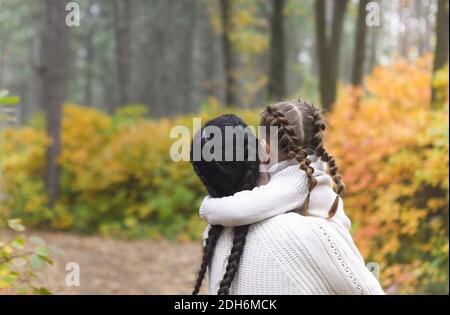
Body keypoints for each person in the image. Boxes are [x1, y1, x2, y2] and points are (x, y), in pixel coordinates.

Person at [191, 103, 384, 294]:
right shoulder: (309, 177)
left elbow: (243, 208)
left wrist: (209, 206)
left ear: (265, 149)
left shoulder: (293, 183)